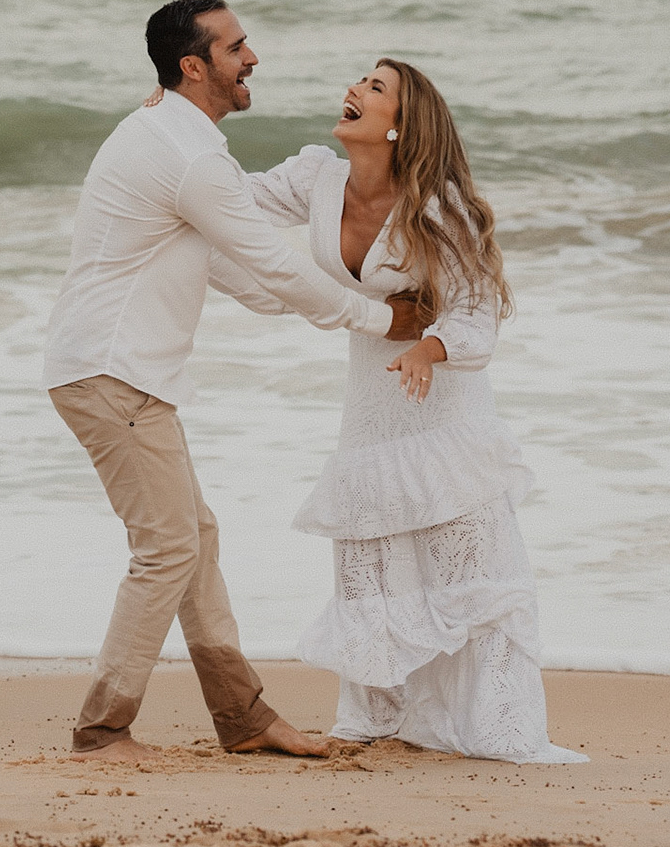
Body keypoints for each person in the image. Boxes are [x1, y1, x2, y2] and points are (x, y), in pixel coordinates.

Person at [43, 0, 430, 762]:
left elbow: (234, 269)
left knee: (195, 538)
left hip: (117, 373)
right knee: (166, 550)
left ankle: (242, 717)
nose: (252, 58)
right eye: (237, 47)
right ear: (195, 66)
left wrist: (300, 305)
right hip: (111, 372)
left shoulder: (166, 136)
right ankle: (103, 727)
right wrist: (381, 320)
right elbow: (274, 262)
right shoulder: (189, 156)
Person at [232, 59, 587, 764]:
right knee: (369, 554)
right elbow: (226, 199)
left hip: (440, 409)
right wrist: (169, 127)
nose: (353, 90)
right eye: (358, 80)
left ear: (399, 123)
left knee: (468, 567)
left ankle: (498, 723)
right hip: (370, 404)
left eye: (374, 87)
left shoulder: (439, 207)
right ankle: (375, 714)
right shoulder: (317, 179)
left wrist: (429, 348)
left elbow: (478, 314)